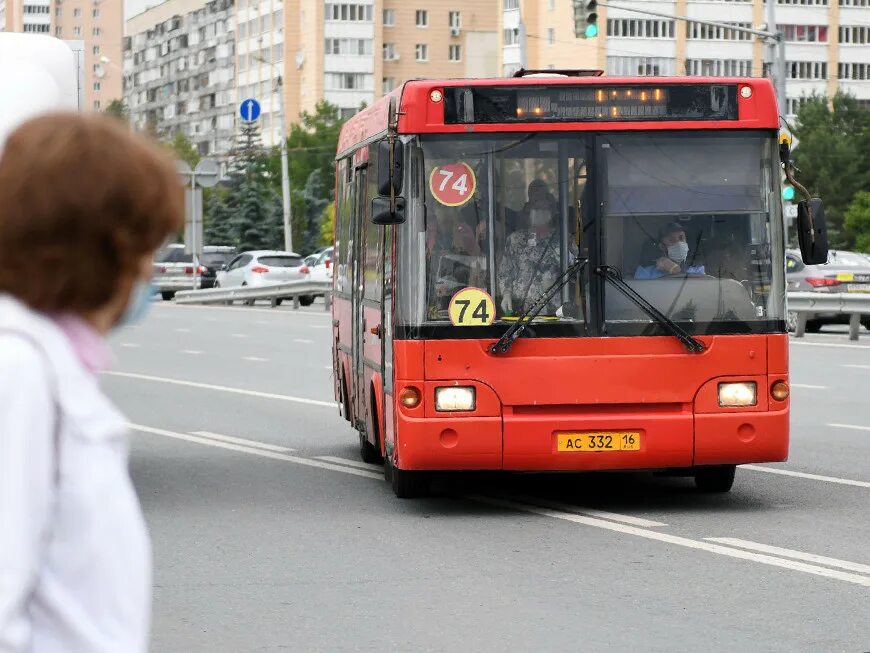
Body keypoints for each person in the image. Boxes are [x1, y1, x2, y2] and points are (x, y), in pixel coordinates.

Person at [0, 114, 183, 652]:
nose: (150, 273)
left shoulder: (42, 364)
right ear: (105, 250)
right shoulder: (18, 371)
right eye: (145, 249)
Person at [498, 194, 569, 315]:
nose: (540, 213)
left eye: (544, 209)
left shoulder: (563, 240)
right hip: (520, 313)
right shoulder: (515, 240)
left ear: (552, 212)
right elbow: (505, 272)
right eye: (536, 208)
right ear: (529, 211)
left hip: (554, 314)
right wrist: (506, 294)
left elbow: (574, 272)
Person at [634, 222, 705, 279]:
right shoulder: (645, 271)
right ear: (662, 247)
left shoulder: (697, 269)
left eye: (681, 238)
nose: (679, 243)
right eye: (671, 240)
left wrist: (676, 271)